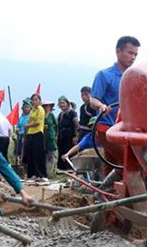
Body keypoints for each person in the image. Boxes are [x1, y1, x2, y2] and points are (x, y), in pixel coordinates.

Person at [90, 36, 140, 175]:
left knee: (112, 164)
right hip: (107, 129)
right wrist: (101, 106)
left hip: (125, 130)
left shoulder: (134, 78)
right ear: (118, 51)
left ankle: (105, 194)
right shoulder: (104, 75)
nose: (133, 57)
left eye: (135, 54)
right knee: (132, 163)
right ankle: (135, 196)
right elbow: (93, 99)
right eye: (130, 53)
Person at [25, 94, 48, 180]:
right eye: (33, 100)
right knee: (30, 154)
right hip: (30, 133)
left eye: (36, 100)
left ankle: (41, 174)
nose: (34, 102)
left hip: (38, 132)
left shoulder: (40, 109)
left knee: (38, 154)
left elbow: (38, 122)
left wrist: (28, 125)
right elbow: (30, 120)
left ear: (39, 101)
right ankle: (32, 174)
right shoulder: (32, 111)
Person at [56, 96, 78, 170]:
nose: (62, 105)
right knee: (61, 150)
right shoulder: (60, 114)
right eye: (60, 103)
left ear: (67, 103)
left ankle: (70, 168)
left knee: (69, 150)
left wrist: (75, 135)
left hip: (70, 135)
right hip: (61, 136)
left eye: (63, 103)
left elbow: (76, 124)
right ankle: (62, 169)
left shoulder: (72, 113)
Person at [43, 100, 58, 178]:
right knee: (44, 155)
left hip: (51, 137)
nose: (47, 107)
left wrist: (55, 135)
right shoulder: (41, 115)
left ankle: (51, 173)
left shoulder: (52, 116)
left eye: (48, 106)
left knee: (51, 155)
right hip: (43, 138)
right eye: (45, 106)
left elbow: (56, 126)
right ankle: (45, 172)